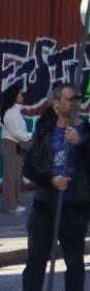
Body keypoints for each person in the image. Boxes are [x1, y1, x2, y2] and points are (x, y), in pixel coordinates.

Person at [8, 84, 90, 291]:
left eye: (77, 100)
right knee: (36, 257)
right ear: (56, 103)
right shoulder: (45, 129)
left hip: (75, 204)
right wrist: (50, 179)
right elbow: (29, 166)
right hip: (45, 203)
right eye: (70, 99)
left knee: (73, 257)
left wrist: (79, 142)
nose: (74, 104)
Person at [2, 84, 29, 214]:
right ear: (14, 95)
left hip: (15, 145)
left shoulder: (15, 111)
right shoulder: (10, 112)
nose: (22, 96)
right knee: (11, 177)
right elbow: (16, 132)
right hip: (11, 145)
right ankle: (11, 205)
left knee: (16, 176)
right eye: (20, 93)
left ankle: (14, 204)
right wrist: (30, 136)